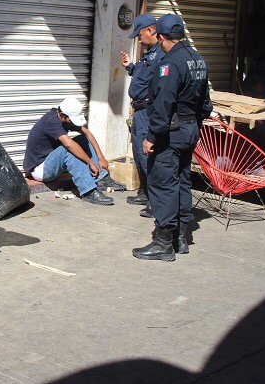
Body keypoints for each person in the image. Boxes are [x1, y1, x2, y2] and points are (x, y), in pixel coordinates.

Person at [133, 14, 212, 261]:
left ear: (164, 37)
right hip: (189, 130)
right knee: (182, 180)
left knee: (162, 184)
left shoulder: (171, 64)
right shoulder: (198, 60)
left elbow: (164, 103)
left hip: (170, 132)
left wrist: (152, 136)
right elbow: (205, 103)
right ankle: (180, 236)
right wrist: (193, 125)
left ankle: (163, 243)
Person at [23, 97, 125, 206]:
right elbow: (69, 144)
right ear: (62, 115)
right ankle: (88, 191)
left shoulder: (64, 118)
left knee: (83, 139)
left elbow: (87, 134)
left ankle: (102, 179)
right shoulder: (51, 121)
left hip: (52, 163)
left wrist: (101, 158)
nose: (72, 123)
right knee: (68, 149)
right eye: (71, 120)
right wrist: (90, 163)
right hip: (40, 169)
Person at [121, 13, 164, 217]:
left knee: (148, 156)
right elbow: (143, 76)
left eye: (139, 34)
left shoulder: (162, 54)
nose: (139, 39)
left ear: (150, 30)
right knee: (139, 154)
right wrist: (130, 67)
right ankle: (146, 193)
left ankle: (157, 203)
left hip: (148, 111)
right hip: (139, 110)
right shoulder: (150, 54)